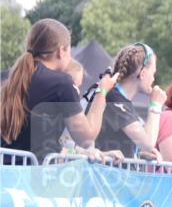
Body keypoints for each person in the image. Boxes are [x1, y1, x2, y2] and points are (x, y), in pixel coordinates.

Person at [1, 19, 116, 161]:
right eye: (69, 49)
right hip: (34, 177)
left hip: (6, 172)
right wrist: (101, 92)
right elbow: (86, 138)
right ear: (61, 51)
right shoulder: (61, 83)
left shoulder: (10, 77)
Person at [92, 43, 167, 159]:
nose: (153, 79)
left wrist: (139, 156)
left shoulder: (119, 98)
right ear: (142, 74)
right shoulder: (113, 98)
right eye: (153, 73)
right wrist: (155, 106)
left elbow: (116, 142)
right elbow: (147, 144)